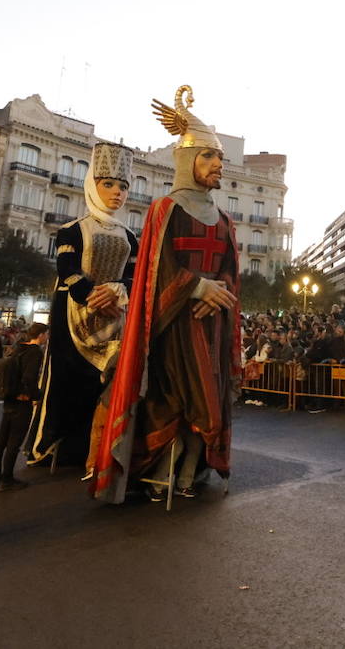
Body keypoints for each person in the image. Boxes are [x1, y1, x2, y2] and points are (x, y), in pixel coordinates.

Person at [92, 87, 242, 502]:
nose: (218, 164)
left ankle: (190, 470)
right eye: (209, 156)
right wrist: (196, 285)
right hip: (172, 324)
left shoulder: (226, 219)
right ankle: (163, 470)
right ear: (186, 160)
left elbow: (230, 268)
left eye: (220, 158)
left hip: (211, 323)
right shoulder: (165, 209)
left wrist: (221, 289)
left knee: (209, 403)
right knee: (173, 400)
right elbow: (156, 267)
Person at [27, 141, 138, 470]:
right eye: (109, 185)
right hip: (72, 315)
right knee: (66, 381)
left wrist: (116, 292)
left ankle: (97, 448)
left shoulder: (130, 236)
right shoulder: (71, 230)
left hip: (115, 317)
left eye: (123, 187)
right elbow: (67, 271)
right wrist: (94, 296)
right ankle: (57, 447)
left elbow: (134, 276)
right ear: (93, 185)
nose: (117, 193)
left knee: (103, 385)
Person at [0, 323, 47, 492]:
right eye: (46, 334)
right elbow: (29, 377)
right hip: (22, 400)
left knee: (1, 441)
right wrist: (35, 396)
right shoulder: (35, 352)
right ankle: (7, 480)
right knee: (14, 442)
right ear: (41, 335)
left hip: (9, 397)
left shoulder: (18, 349)